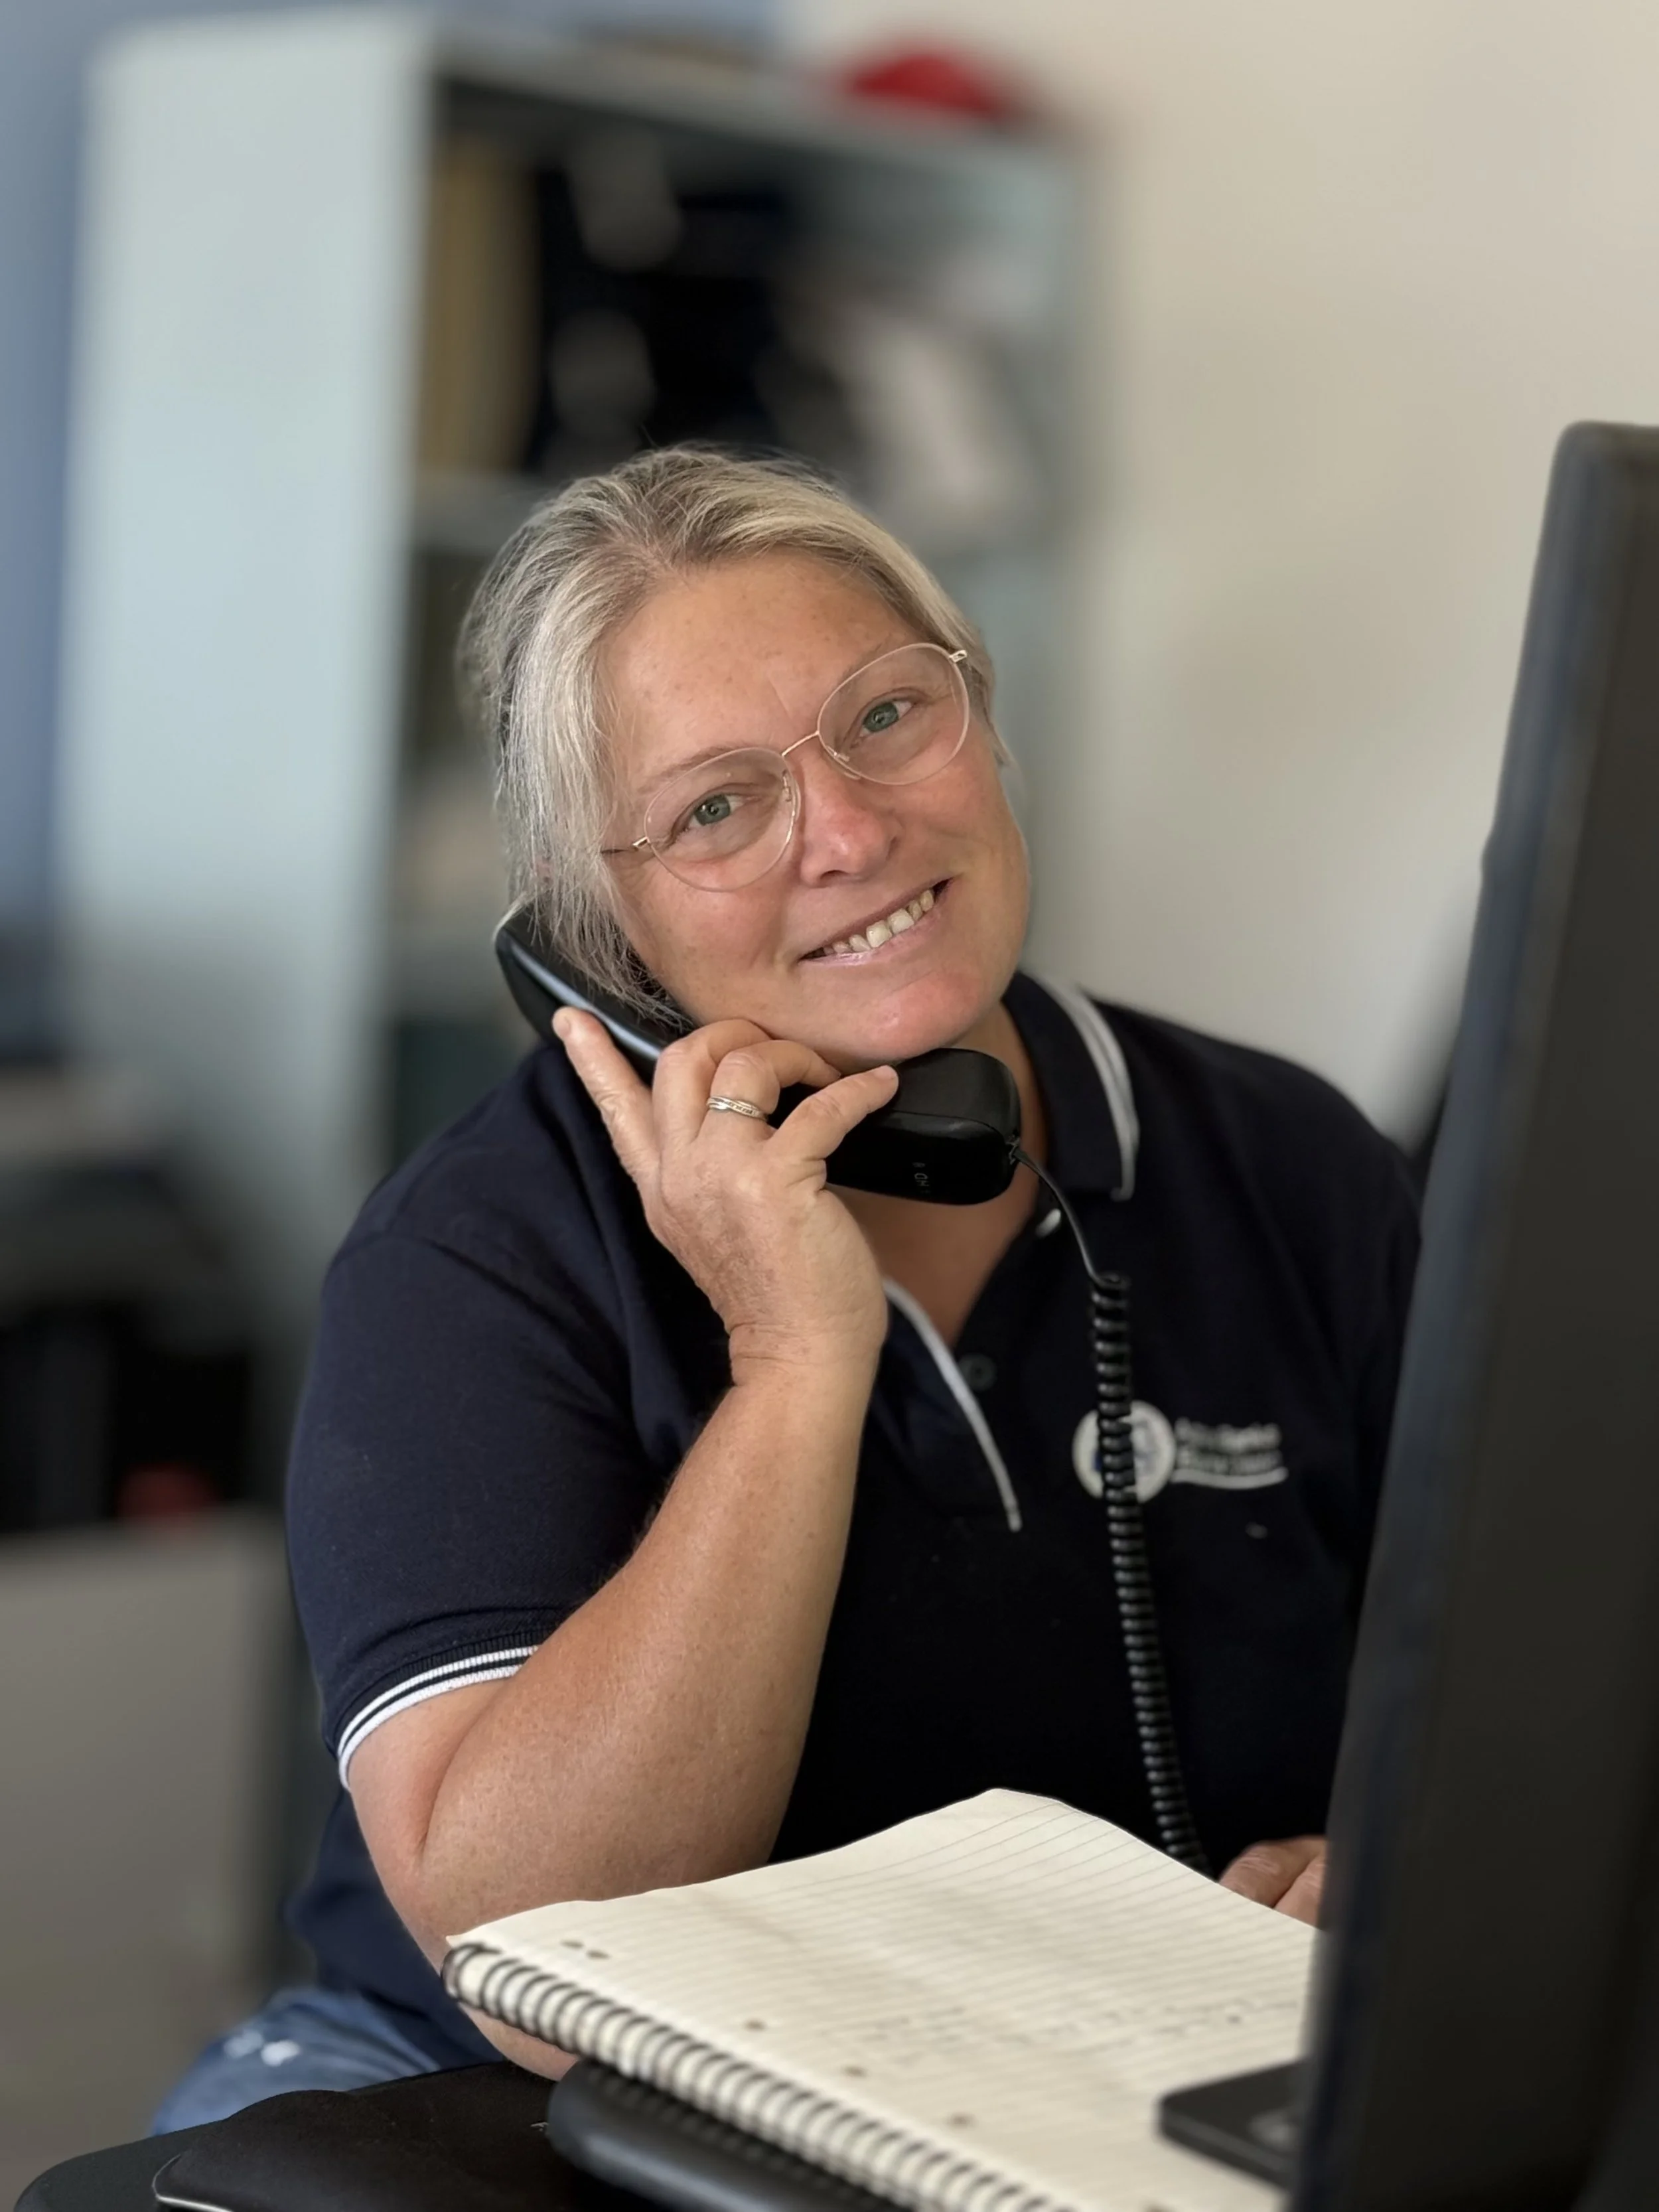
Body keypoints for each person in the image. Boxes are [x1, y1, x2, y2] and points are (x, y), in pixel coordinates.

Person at [153, 447, 1417, 2128]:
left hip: (1079, 2108)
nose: (848, 830)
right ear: (598, 934)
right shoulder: (476, 1254)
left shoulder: (1289, 1166)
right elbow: (534, 1961)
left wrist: (1411, 1857)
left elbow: (1546, 1673)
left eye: (886, 716)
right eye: (715, 807)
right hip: (496, 2114)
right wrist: (794, 1363)